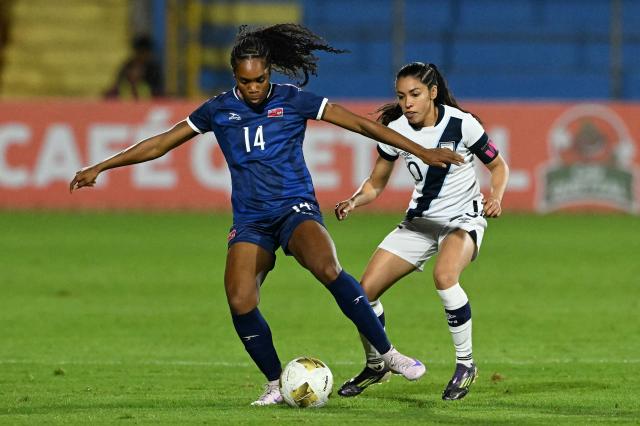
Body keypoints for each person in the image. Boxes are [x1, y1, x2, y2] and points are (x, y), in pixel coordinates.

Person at [70, 26, 464, 405]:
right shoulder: (218, 110)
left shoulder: (293, 99)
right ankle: (276, 383)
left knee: (326, 266)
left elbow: (360, 124)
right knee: (239, 298)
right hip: (251, 220)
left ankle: (387, 353)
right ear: (235, 78)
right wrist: (102, 166)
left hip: (295, 209)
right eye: (245, 82)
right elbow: (160, 144)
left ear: (269, 73)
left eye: (259, 80)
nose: (254, 88)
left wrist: (423, 151)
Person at [334, 62, 509, 401]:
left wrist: (496, 197)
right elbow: (375, 183)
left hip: (463, 219)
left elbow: (497, 166)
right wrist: (355, 200)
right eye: (401, 96)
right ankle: (378, 364)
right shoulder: (396, 129)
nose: (407, 103)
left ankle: (466, 364)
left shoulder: (462, 124)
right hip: (420, 223)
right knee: (363, 293)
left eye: (414, 95)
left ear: (432, 93)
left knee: (445, 276)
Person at [104, 34, 163, 100]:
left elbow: (158, 93)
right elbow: (115, 89)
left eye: (145, 52)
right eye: (141, 52)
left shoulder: (153, 69)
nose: (135, 73)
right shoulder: (127, 66)